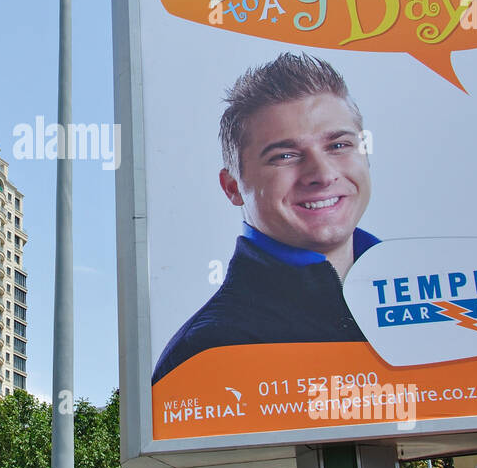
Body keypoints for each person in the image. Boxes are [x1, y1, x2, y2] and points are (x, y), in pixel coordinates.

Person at [152, 53, 379, 384]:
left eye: (339, 145)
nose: (323, 174)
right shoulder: (209, 353)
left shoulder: (432, 299)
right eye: (285, 156)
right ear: (233, 188)